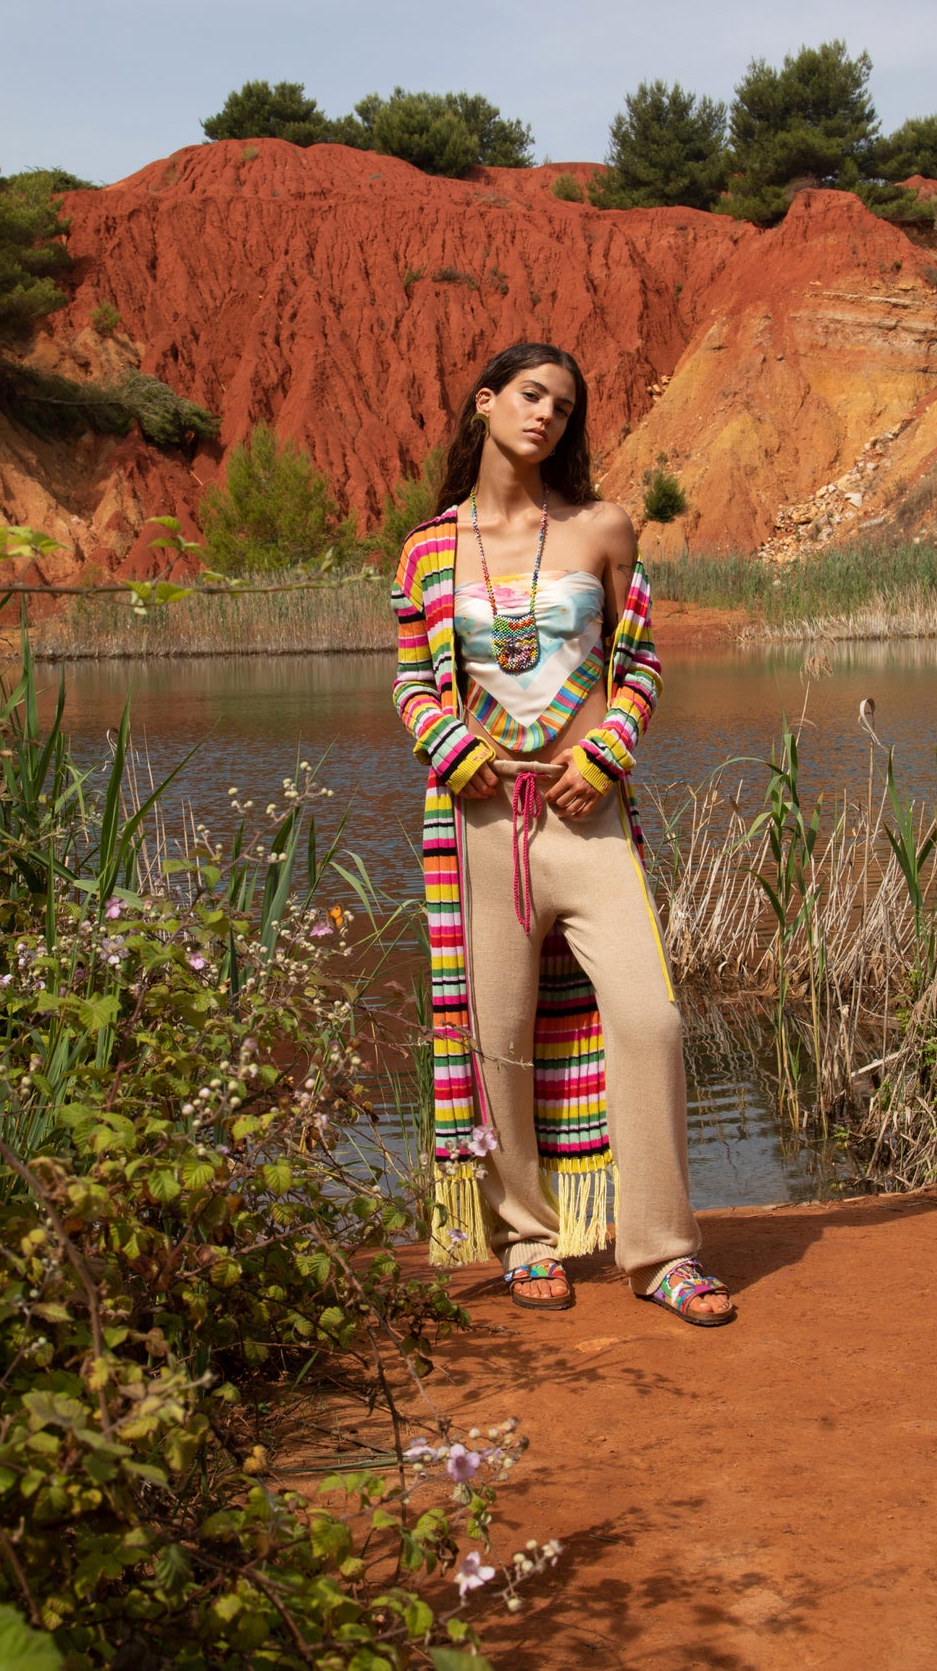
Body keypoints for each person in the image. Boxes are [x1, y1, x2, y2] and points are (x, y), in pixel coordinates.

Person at [389, 341, 734, 1325]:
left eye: (564, 406)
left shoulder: (601, 528)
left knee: (651, 1019)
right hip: (480, 822)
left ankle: (662, 1252)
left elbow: (642, 666)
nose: (546, 414)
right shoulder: (427, 550)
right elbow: (413, 682)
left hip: (590, 818)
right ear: (485, 401)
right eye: (530, 394)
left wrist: (606, 755)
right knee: (496, 1038)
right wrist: (453, 750)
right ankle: (526, 1240)